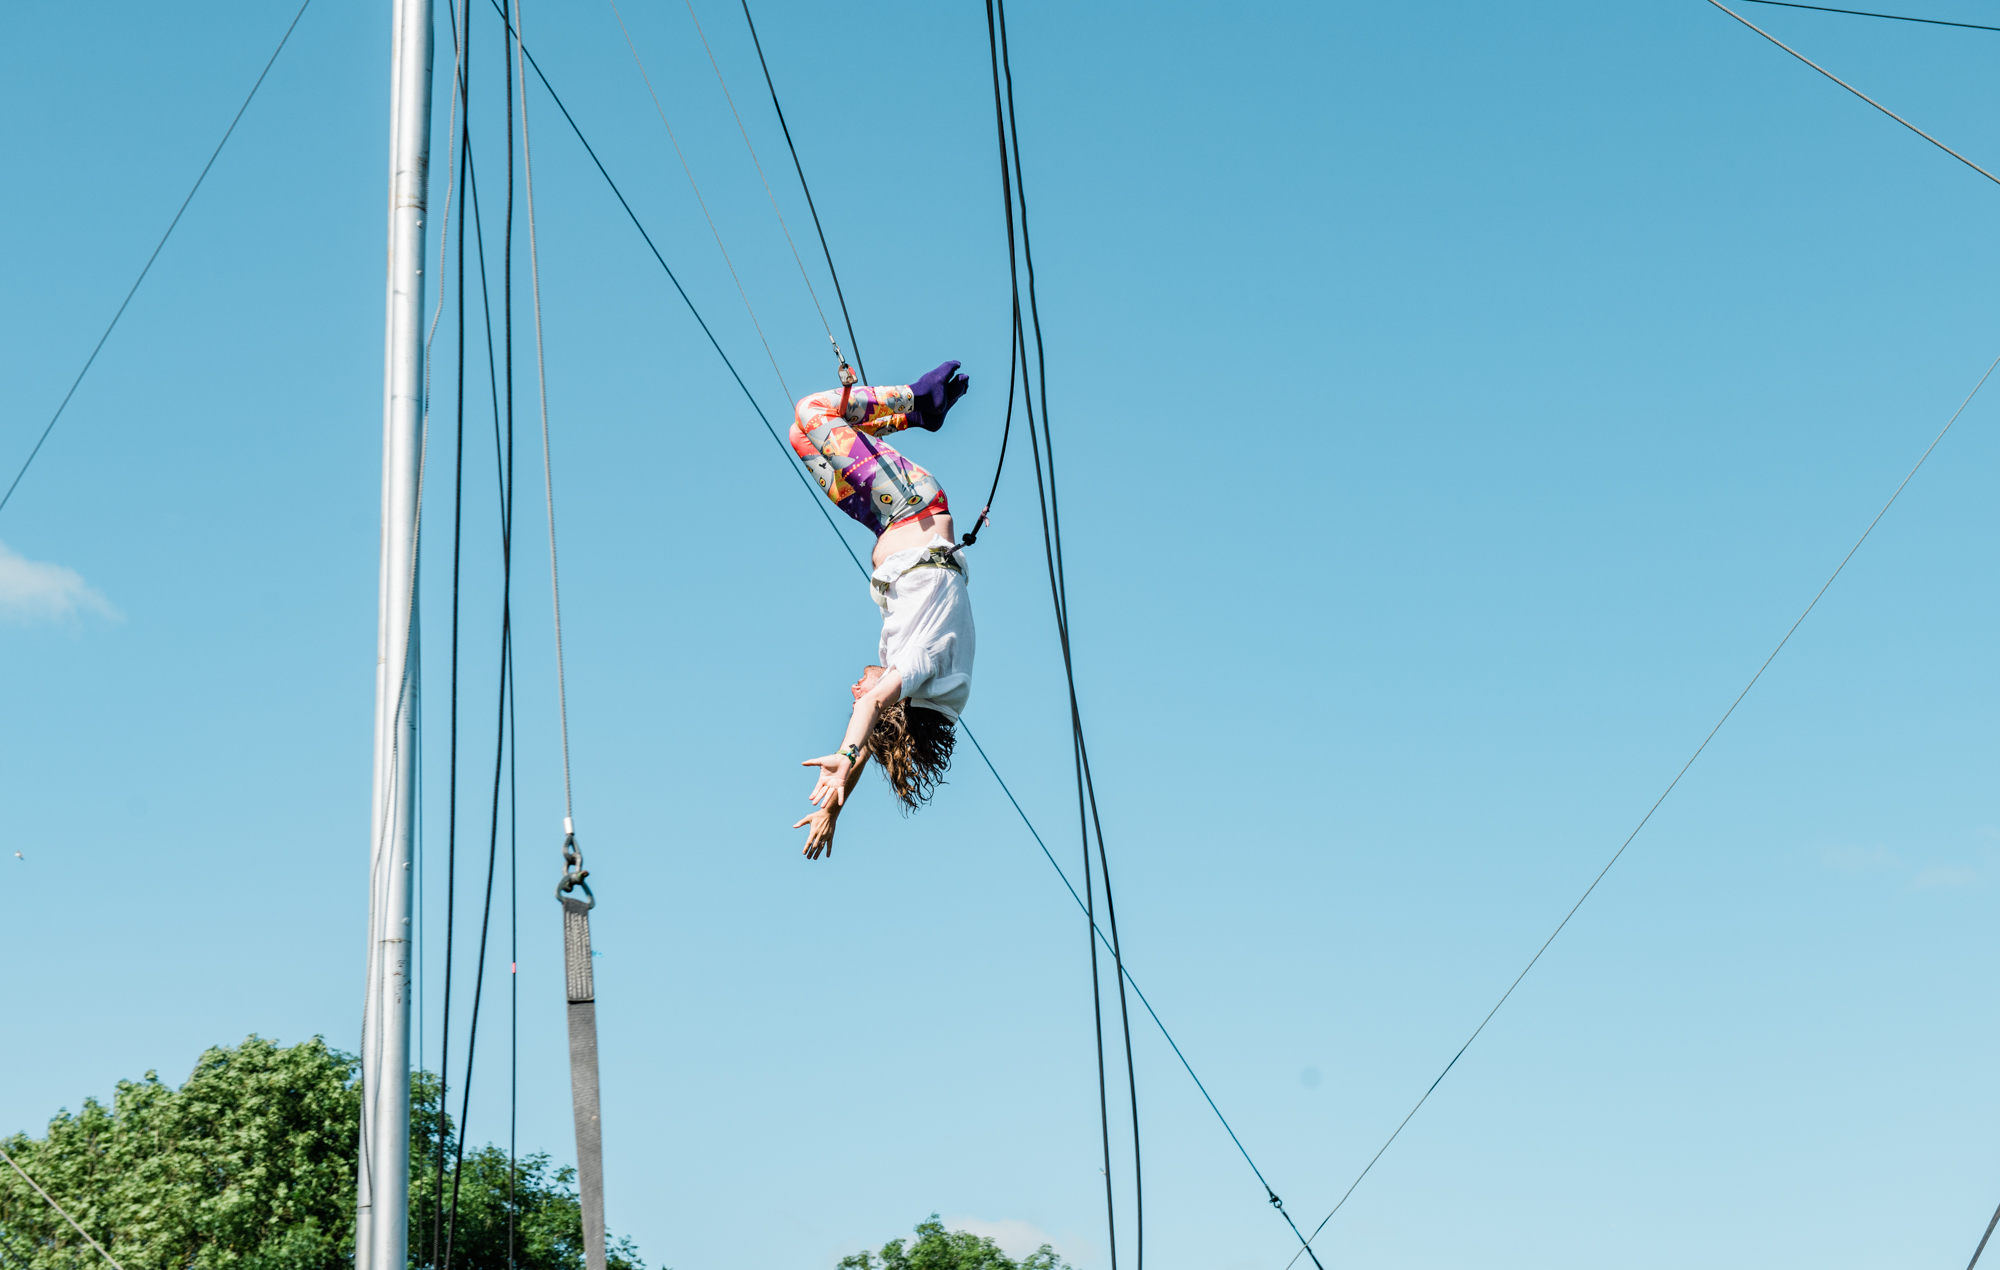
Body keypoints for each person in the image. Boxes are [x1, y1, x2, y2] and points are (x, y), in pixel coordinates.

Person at [790, 360, 974, 859]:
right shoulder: (927, 669)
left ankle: (917, 408)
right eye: (862, 692)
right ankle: (920, 402)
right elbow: (870, 710)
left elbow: (875, 727)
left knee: (801, 436)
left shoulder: (923, 691)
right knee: (814, 410)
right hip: (913, 506)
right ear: (894, 701)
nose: (856, 687)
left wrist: (834, 805)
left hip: (883, 518)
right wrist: (844, 759)